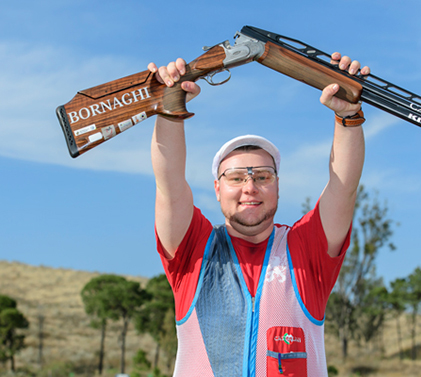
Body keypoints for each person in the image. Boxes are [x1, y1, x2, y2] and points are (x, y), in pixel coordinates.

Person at [148, 52, 369, 376]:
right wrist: (169, 107)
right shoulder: (192, 249)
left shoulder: (305, 250)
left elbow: (343, 187)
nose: (250, 187)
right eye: (236, 178)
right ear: (217, 189)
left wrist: (348, 116)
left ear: (278, 187)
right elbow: (169, 183)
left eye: (263, 176)